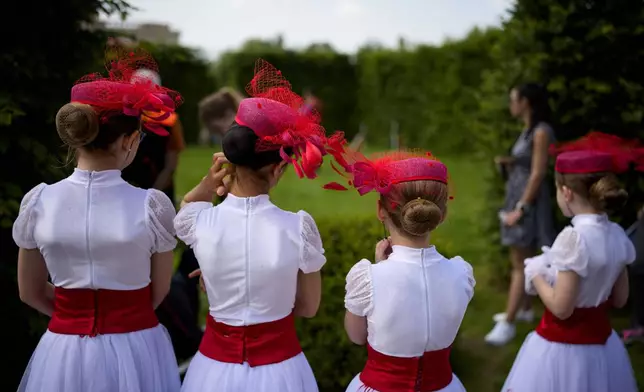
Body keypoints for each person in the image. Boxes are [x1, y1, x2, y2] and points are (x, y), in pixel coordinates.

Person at [12, 48, 182, 392]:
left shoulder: (38, 201)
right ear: (130, 140)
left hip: (63, 349)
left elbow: (29, 291)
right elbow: (158, 291)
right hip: (136, 345)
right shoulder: (152, 205)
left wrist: (76, 315)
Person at [175, 59, 337, 392]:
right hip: (281, 370)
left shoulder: (199, 222)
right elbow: (307, 307)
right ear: (278, 170)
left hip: (212, 370)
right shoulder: (298, 228)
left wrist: (209, 183)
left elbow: (187, 207)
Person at [325, 150, 475, 392]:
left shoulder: (367, 278)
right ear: (441, 214)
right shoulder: (461, 273)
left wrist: (379, 269)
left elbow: (357, 336)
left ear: (381, 210)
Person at [501, 148, 638, 392]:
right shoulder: (618, 235)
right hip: (603, 350)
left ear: (566, 192)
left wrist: (536, 274)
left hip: (562, 350)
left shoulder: (573, 239)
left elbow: (562, 308)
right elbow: (620, 299)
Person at [486, 83, 557, 345]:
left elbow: (538, 173)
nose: (510, 104)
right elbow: (529, 165)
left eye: (513, 99)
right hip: (518, 197)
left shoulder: (541, 131)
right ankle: (525, 310)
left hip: (528, 204)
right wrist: (511, 162)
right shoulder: (528, 131)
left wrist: (521, 209)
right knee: (523, 259)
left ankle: (509, 324)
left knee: (519, 263)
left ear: (526, 102)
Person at [122, 68, 186, 205]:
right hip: (139, 190)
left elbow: (170, 165)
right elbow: (171, 164)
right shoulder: (123, 117)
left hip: (155, 191)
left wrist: (151, 194)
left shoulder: (169, 121)